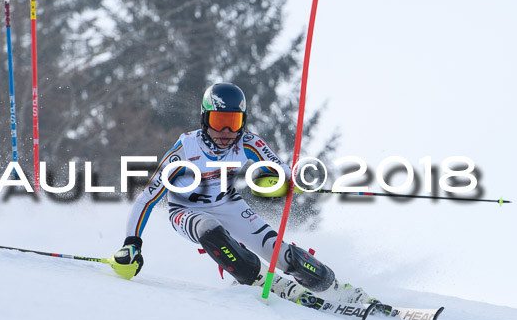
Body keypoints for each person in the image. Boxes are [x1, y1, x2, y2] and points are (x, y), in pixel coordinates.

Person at [111, 83, 375, 307]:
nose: (226, 133)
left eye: (233, 123)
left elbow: (279, 170)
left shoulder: (247, 142)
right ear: (205, 119)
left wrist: (294, 179)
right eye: (219, 122)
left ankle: (335, 287)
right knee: (208, 228)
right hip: (186, 211)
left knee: (279, 252)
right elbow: (147, 198)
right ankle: (258, 278)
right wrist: (132, 243)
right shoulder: (185, 150)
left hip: (229, 204)